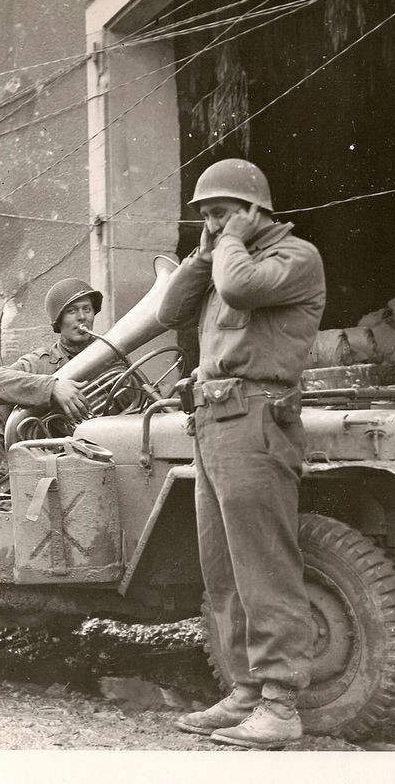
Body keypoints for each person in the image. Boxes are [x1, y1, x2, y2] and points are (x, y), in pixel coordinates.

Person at [157, 158, 326, 749]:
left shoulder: (295, 258)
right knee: (223, 568)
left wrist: (227, 245)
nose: (210, 223)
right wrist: (206, 250)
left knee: (263, 564)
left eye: (221, 211)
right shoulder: (222, 257)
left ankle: (280, 705)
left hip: (257, 418)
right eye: (204, 214)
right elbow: (169, 311)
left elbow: (238, 289)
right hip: (211, 419)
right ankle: (246, 692)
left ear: (258, 210)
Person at [0, 279, 102, 474]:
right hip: (57, 465)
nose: (82, 317)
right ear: (59, 319)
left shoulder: (110, 357)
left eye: (87, 309)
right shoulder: (41, 362)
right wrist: (52, 387)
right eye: (72, 311)